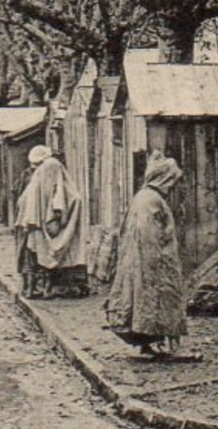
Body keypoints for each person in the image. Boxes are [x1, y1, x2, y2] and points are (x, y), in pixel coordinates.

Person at [104, 156, 192, 359]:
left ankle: (151, 344)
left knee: (148, 301)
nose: (174, 186)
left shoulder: (146, 197)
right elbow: (147, 234)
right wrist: (158, 262)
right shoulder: (150, 199)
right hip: (152, 261)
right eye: (172, 180)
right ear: (163, 179)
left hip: (147, 260)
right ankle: (161, 344)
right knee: (157, 300)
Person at [13, 145, 87, 298]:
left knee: (39, 256)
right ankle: (32, 288)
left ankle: (42, 288)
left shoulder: (49, 178)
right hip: (32, 227)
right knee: (32, 257)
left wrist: (54, 215)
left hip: (35, 226)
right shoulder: (36, 180)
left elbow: (71, 199)